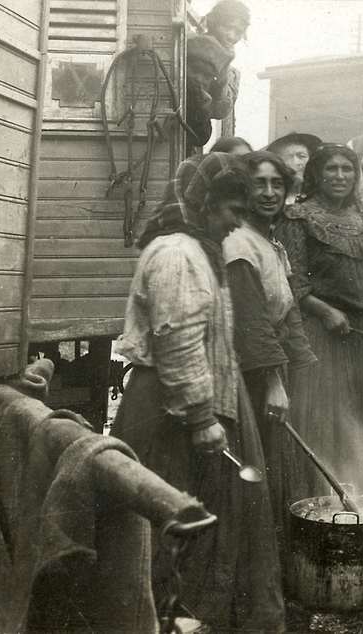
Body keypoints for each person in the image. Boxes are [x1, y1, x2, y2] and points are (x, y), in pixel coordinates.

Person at [112, 152, 284, 631]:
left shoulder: (201, 251)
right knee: (170, 517)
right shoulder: (177, 254)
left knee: (199, 520)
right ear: (203, 205)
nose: (236, 224)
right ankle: (160, 618)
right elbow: (178, 338)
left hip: (188, 403)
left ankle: (193, 618)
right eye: (231, 211)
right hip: (168, 411)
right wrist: (202, 417)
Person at [276, 144, 363, 498]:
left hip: (361, 336)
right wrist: (324, 311)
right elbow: (292, 281)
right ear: (316, 174)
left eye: (347, 169)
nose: (340, 176)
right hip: (320, 334)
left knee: (357, 419)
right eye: (331, 169)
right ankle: (318, 501)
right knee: (321, 417)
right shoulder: (297, 218)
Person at [223, 151, 317, 526]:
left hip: (268, 367)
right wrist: (274, 382)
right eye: (259, 184)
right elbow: (251, 320)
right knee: (254, 464)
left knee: (275, 462)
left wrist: (306, 366)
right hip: (248, 373)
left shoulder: (270, 242)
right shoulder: (239, 243)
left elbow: (288, 307)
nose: (268, 192)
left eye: (276, 184)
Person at [185, 0, 249, 149]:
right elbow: (212, 107)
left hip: (194, 131)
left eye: (238, 32)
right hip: (192, 127)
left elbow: (220, 110)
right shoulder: (202, 47)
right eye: (227, 27)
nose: (232, 36)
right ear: (213, 23)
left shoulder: (228, 66)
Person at [266, 131, 321, 206]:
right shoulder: (271, 198)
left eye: (302, 156)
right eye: (287, 157)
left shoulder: (319, 197)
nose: (296, 162)